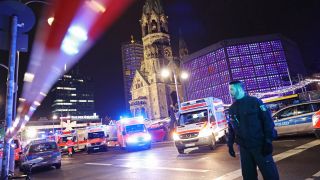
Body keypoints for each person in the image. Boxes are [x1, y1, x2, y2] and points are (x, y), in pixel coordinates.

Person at [227, 80, 279, 180]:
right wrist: (230, 144)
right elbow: (231, 128)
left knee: (270, 175)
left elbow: (267, 121)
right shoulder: (232, 108)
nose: (230, 92)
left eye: (232, 89)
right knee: (248, 176)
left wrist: (268, 140)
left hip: (260, 146)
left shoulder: (255, 102)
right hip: (244, 149)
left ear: (239, 88)